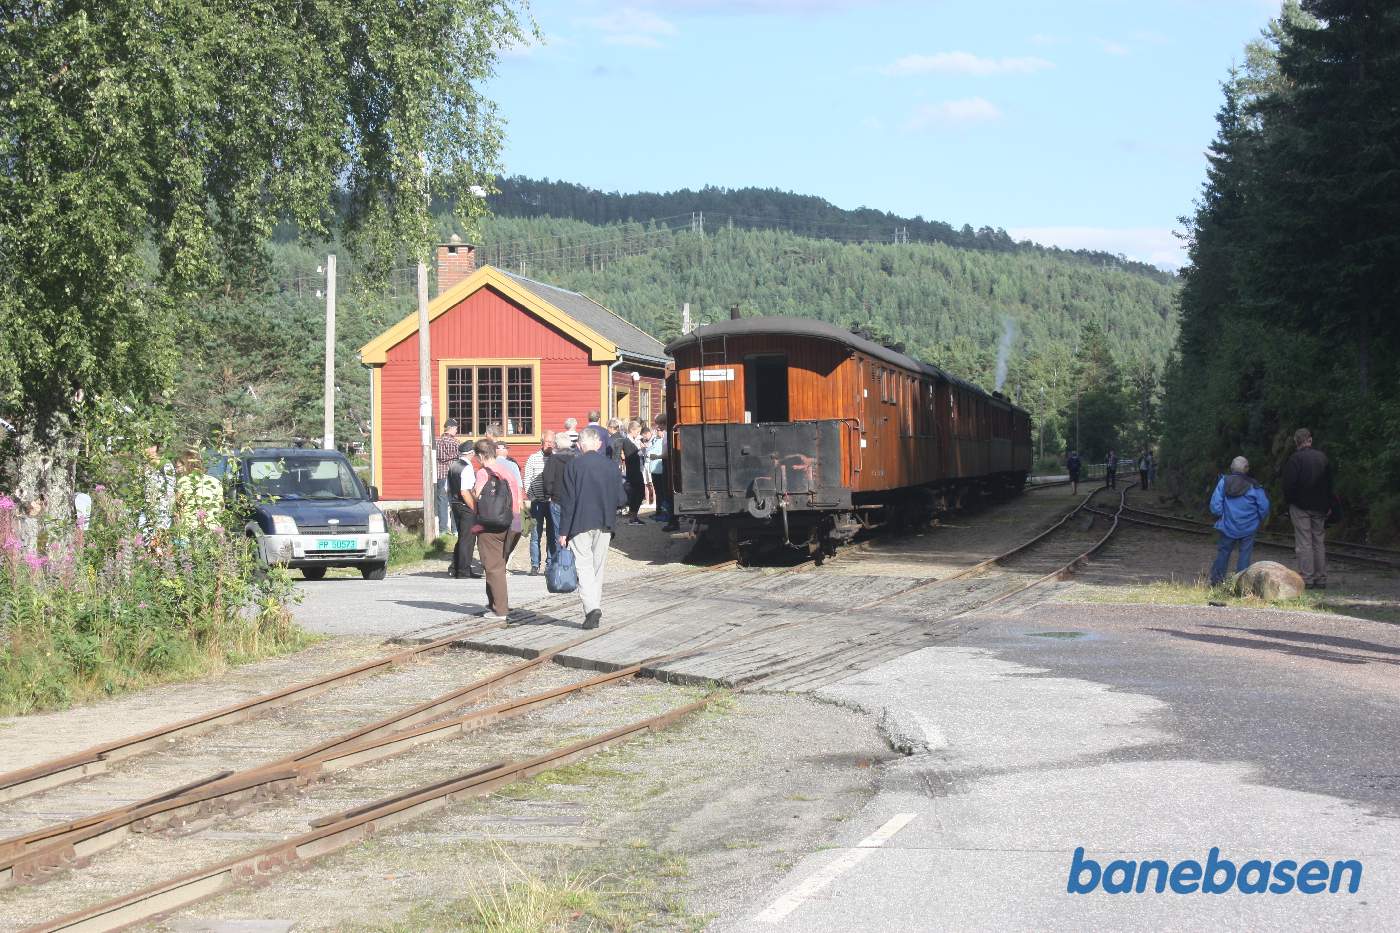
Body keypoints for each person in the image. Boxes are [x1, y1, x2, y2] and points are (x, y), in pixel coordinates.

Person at [557, 425, 627, 629]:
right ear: (597, 444)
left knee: (583, 566)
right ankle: (594, 606)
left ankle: (592, 608)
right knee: (598, 568)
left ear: (579, 445)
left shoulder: (573, 466)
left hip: (579, 522)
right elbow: (621, 498)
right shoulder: (611, 466)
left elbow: (567, 501)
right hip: (605, 522)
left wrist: (563, 531)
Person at [466, 438, 521, 620]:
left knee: (493, 566)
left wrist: (472, 492)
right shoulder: (508, 470)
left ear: (482, 456)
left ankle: (500, 610)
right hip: (514, 522)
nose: (477, 461)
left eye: (477, 458)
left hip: (491, 524)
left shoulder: (483, 473)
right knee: (500, 564)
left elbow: (477, 496)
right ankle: (496, 604)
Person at [1282, 427, 1332, 590]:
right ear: (1310, 440)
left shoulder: (1294, 460)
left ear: (1296, 441)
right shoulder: (1322, 458)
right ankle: (1321, 578)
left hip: (1300, 507)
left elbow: (1288, 485)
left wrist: (1290, 503)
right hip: (1320, 507)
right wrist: (1329, 504)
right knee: (1318, 541)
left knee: (1304, 542)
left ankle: (1307, 577)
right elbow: (1329, 484)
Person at [1209, 456, 1270, 586]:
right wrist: (1259, 519)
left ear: (1231, 468)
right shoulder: (1254, 486)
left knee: (1223, 553)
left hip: (1227, 526)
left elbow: (1215, 505)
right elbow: (1264, 506)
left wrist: (1220, 515)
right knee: (1244, 555)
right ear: (1246, 469)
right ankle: (1241, 584)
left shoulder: (1224, 482)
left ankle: (1216, 581)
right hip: (1249, 527)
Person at [541, 430, 577, 560]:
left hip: (557, 499)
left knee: (558, 532)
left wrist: (548, 493)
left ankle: (560, 562)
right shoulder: (575, 458)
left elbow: (547, 479)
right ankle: (571, 561)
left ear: (556, 444)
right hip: (573, 500)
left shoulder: (553, 459)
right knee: (572, 531)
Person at [523, 431, 555, 575]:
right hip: (537, 502)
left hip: (552, 502)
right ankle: (535, 565)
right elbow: (527, 479)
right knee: (535, 534)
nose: (550, 444)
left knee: (552, 534)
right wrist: (532, 497)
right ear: (542, 443)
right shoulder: (533, 458)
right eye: (547, 442)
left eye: (552, 442)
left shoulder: (556, 459)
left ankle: (550, 564)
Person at [446, 441, 477, 578]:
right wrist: (474, 508)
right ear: (471, 453)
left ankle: (455, 566)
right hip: (465, 505)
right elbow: (465, 491)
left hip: (454, 504)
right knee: (468, 539)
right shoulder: (467, 468)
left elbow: (447, 488)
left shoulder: (453, 466)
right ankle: (464, 570)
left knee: (462, 537)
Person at [493, 440, 524, 567]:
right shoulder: (512, 465)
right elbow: (519, 486)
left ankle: (495, 561)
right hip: (511, 504)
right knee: (515, 530)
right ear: (504, 450)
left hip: (493, 505)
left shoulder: (490, 464)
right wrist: (520, 504)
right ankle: (504, 560)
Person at [433, 418, 459, 535]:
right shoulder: (456, 443)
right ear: (452, 428)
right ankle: (455, 529)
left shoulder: (437, 441)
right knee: (454, 501)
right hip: (452, 474)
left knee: (442, 501)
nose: (456, 431)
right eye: (456, 428)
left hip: (440, 474)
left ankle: (443, 529)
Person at [653, 415, 678, 531]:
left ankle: (672, 521)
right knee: (666, 493)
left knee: (668, 493)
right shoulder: (667, 434)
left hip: (667, 464)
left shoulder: (667, 435)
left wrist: (656, 456)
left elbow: (667, 454)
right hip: (666, 464)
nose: (657, 427)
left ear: (663, 424)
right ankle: (671, 519)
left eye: (658, 424)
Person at [622, 419, 645, 523]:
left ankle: (634, 515)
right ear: (631, 430)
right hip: (633, 471)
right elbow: (630, 455)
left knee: (638, 493)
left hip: (636, 469)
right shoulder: (627, 441)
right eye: (637, 431)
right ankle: (633, 516)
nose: (638, 434)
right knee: (637, 493)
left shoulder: (633, 440)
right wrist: (640, 450)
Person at [639, 427, 655, 506]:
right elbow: (642, 453)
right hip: (645, 463)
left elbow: (653, 451)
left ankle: (654, 501)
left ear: (647, 433)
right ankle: (648, 501)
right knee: (646, 483)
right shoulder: (644, 441)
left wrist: (646, 447)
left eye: (644, 436)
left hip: (652, 464)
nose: (644, 438)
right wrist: (642, 448)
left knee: (652, 483)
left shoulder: (654, 439)